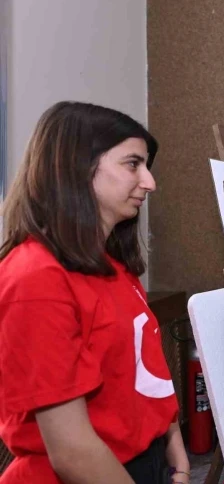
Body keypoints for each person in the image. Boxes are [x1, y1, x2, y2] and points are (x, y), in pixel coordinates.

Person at [0, 102, 189, 483]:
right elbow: (72, 452)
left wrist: (178, 459)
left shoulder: (113, 267)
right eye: (133, 164)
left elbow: (144, 375)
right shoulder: (36, 277)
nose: (150, 182)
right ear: (77, 167)